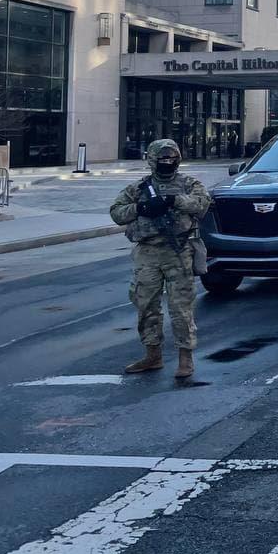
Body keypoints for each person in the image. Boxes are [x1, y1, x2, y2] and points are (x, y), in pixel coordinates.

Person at [110, 139, 212, 378]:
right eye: (162, 158)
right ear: (152, 160)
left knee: (181, 307)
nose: (168, 162)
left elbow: (202, 204)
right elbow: (117, 212)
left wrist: (174, 200)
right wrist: (141, 208)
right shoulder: (139, 188)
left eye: (171, 158)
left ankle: (185, 358)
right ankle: (152, 355)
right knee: (146, 304)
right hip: (148, 252)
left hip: (179, 251)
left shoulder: (188, 184)